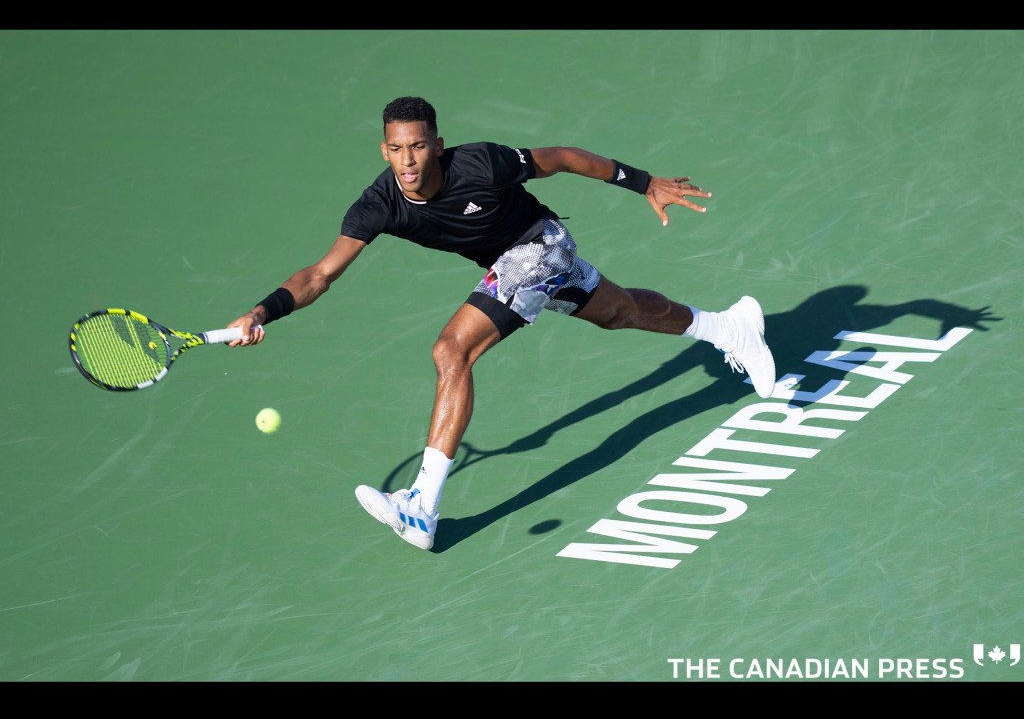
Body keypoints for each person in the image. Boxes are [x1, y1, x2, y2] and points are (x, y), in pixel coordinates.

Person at [226, 96, 776, 551]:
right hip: (515, 262)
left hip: (539, 246)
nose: (408, 161)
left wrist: (644, 182)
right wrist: (261, 310)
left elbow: (559, 157)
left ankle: (421, 506)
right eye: (396, 149)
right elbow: (321, 274)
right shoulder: (378, 204)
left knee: (452, 352)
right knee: (620, 312)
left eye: (418, 146)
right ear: (384, 150)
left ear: (437, 145)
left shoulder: (481, 164)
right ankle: (729, 328)